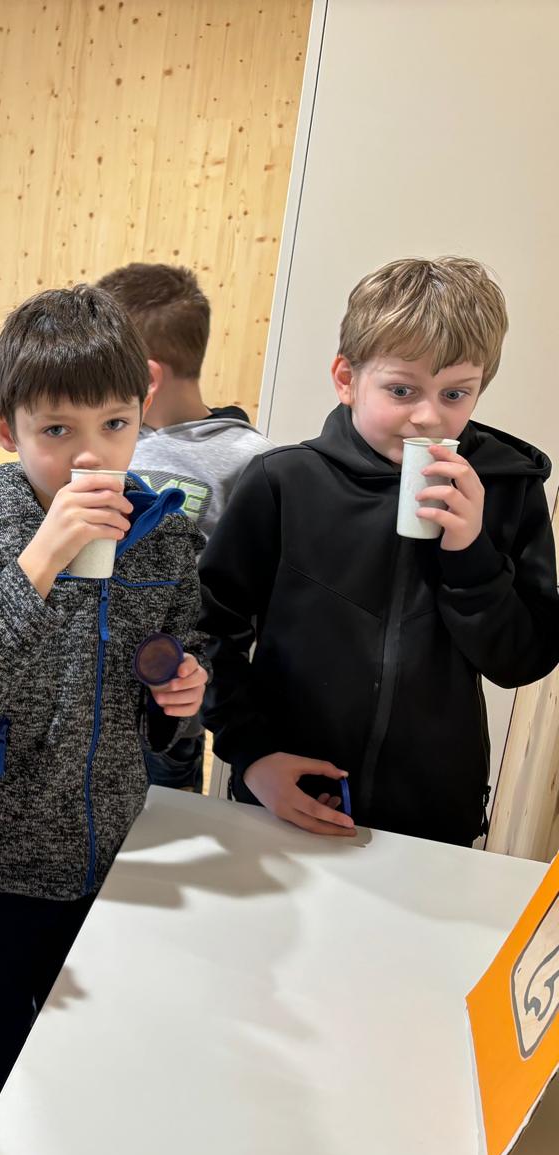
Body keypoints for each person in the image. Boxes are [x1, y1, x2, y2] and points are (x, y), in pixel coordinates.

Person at [0, 285, 206, 1155]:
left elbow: (173, 682)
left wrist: (182, 691)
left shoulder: (163, 537)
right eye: (56, 432)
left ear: (143, 411)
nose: (90, 454)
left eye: (115, 425)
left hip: (114, 868)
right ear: (6, 429)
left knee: (96, 1082)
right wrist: (41, 559)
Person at [200, 256, 559, 844]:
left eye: (455, 393)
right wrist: (252, 753)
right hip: (289, 794)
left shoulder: (507, 490)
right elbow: (209, 630)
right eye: (401, 390)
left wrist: (470, 552)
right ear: (346, 379)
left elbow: (521, 661)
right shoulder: (283, 483)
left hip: (436, 815)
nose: (429, 416)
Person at [96, 262, 274, 792]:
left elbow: (251, 602)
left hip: (169, 711)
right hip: (82, 698)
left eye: (102, 368)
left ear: (147, 378)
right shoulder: (102, 442)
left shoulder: (253, 462)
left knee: (162, 827)